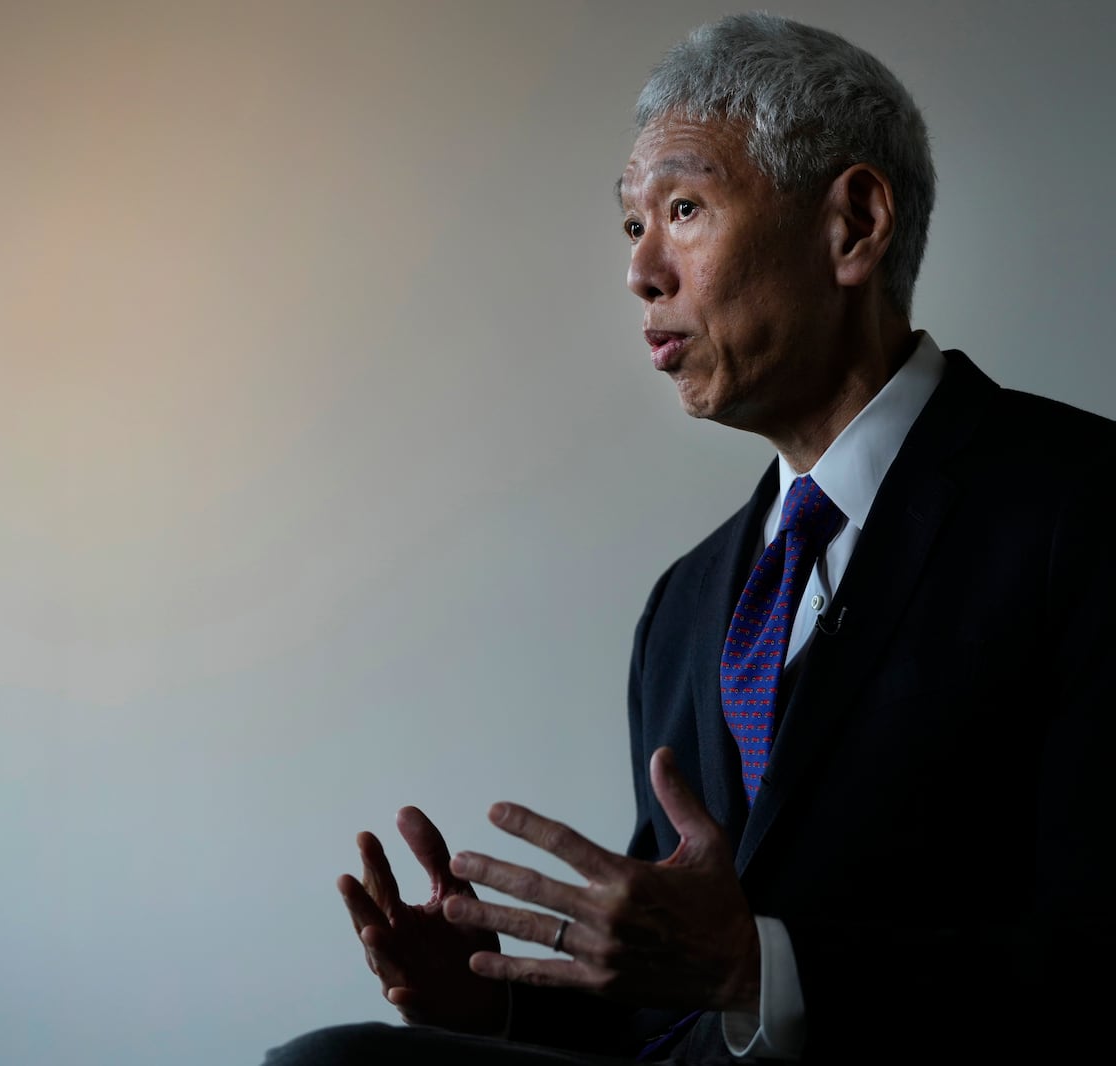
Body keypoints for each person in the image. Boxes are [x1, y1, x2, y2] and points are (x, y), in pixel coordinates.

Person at [263, 12, 1115, 1065]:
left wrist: (762, 970)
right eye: (632, 227)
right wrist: (494, 1005)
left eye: (683, 207)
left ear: (851, 225)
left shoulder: (1086, 509)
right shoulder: (685, 604)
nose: (641, 272)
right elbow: (661, 1000)